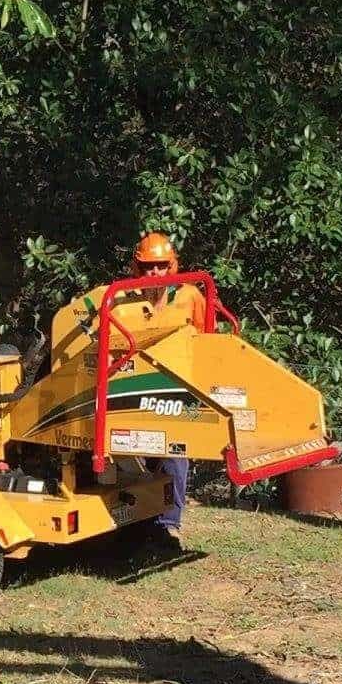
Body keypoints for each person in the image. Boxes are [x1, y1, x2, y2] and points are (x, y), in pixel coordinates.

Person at [130, 232, 205, 548]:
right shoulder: (127, 299)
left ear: (172, 265)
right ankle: (139, 520)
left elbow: (205, 341)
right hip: (136, 388)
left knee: (174, 455)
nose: (155, 273)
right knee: (135, 455)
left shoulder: (189, 296)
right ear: (138, 268)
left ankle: (169, 523)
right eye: (148, 267)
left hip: (177, 386)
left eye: (161, 266)